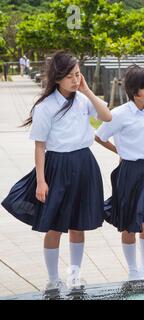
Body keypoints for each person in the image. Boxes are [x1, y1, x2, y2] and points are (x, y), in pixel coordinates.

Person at [1, 51, 112, 291]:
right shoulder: (46, 106)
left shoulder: (83, 100)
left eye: (78, 74)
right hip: (57, 166)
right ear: (58, 77)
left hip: (84, 164)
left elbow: (107, 116)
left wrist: (87, 91)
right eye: (71, 76)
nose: (75, 79)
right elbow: (40, 146)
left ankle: (74, 275)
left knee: (78, 224)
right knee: (54, 225)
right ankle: (52, 279)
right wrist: (41, 181)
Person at [95, 65, 144, 281]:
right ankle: (133, 270)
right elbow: (99, 137)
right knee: (129, 221)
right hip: (129, 171)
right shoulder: (118, 114)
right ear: (134, 91)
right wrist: (120, 151)